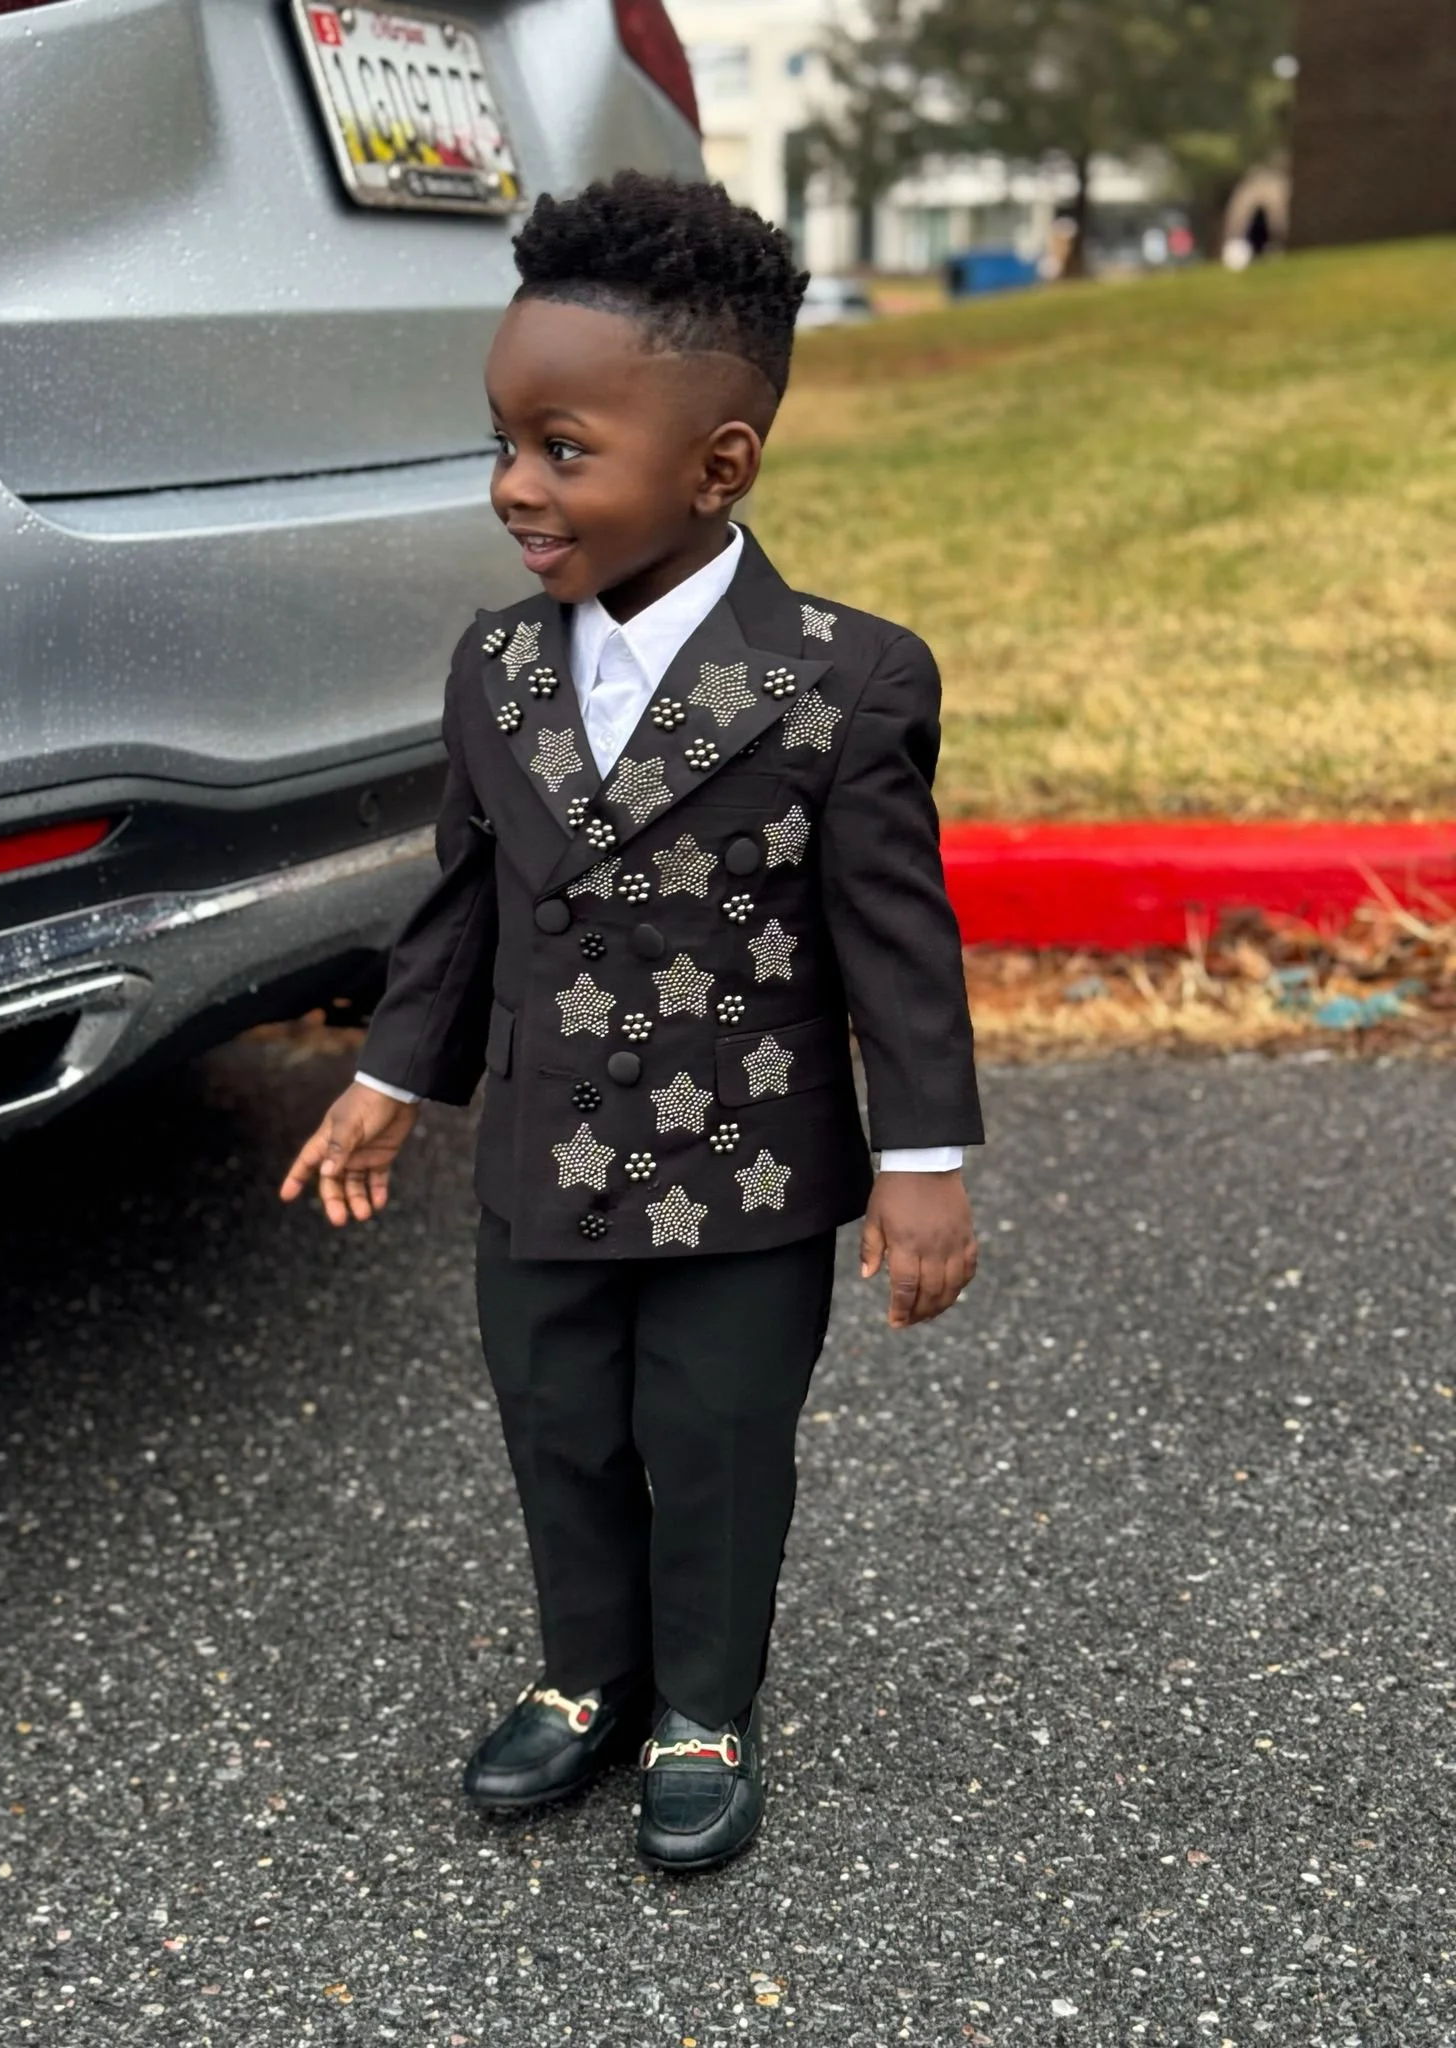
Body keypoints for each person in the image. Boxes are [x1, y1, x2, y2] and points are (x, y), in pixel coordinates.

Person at [280, 172, 983, 1875]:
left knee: (716, 1438)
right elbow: (467, 895)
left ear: (718, 464)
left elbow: (896, 939)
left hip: (745, 1160)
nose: (516, 485)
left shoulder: (844, 677)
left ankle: (704, 1709)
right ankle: (589, 1678)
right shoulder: (495, 665)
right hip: (540, 1148)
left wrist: (927, 1161)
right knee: (561, 1426)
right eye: (503, 441)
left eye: (563, 448)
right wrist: (386, 1076)